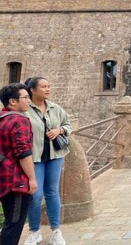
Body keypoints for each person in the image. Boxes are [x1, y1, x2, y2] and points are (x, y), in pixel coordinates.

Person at [24, 77, 72, 245]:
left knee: (52, 192)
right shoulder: (25, 109)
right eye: (43, 86)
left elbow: (68, 125)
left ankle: (56, 231)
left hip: (54, 156)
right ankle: (34, 231)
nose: (47, 89)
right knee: (35, 195)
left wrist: (59, 130)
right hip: (34, 157)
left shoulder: (55, 108)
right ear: (32, 90)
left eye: (48, 86)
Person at [0, 83, 37, 245]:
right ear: (13, 101)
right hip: (16, 183)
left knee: (9, 222)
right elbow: (23, 152)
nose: (29, 100)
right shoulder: (19, 120)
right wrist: (32, 179)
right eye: (26, 97)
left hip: (3, 179)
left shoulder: (2, 118)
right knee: (13, 226)